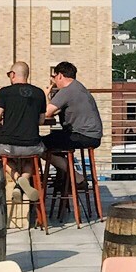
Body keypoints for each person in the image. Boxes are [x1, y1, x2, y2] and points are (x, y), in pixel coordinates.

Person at [42, 60, 104, 199]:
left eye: (54, 77)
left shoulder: (67, 91)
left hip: (82, 135)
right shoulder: (78, 87)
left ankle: (76, 177)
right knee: (55, 139)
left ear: (60, 76)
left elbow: (47, 112)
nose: (54, 81)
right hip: (91, 135)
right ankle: (64, 179)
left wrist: (45, 95)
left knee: (37, 145)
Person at [0, 61, 47, 202]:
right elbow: (41, 121)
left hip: (8, 145)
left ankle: (17, 178)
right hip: (32, 145)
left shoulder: (4, 92)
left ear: (13, 74)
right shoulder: (39, 93)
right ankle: (24, 180)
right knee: (31, 157)